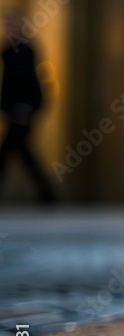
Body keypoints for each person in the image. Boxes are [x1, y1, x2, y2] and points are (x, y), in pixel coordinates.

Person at [0, 8, 57, 204]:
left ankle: (48, 194)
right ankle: (48, 194)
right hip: (14, 109)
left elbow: (29, 82)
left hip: (23, 110)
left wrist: (24, 107)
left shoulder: (24, 50)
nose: (9, 28)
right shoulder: (8, 51)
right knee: (23, 153)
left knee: (8, 152)